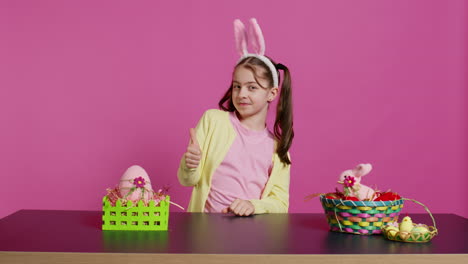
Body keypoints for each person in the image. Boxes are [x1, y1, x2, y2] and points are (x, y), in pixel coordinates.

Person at [177, 18, 294, 216]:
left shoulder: (278, 148)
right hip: (205, 234)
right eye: (237, 86)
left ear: (272, 93)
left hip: (252, 238)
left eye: (252, 87)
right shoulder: (213, 121)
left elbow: (281, 204)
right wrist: (190, 164)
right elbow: (187, 180)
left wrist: (253, 205)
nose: (241, 94)